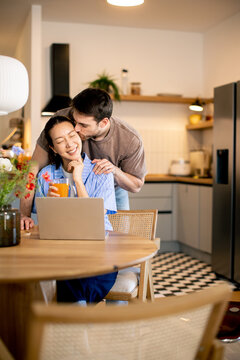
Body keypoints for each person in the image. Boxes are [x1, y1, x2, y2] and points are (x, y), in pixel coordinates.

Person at [21, 88, 146, 230]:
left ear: (104, 123)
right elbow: (32, 169)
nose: (76, 129)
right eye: (75, 121)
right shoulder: (62, 120)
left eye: (83, 125)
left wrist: (114, 171)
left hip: (110, 186)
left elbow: (136, 185)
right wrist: (24, 215)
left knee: (118, 238)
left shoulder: (129, 139)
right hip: (67, 181)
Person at [33, 115, 117, 304]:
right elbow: (45, 226)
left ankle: (74, 320)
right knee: (63, 274)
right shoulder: (45, 176)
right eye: (61, 141)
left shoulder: (101, 173)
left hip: (99, 251)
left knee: (78, 278)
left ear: (80, 136)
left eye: (72, 136)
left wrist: (78, 180)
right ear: (53, 149)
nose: (70, 144)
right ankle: (78, 320)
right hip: (61, 253)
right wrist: (52, 208)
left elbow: (93, 221)